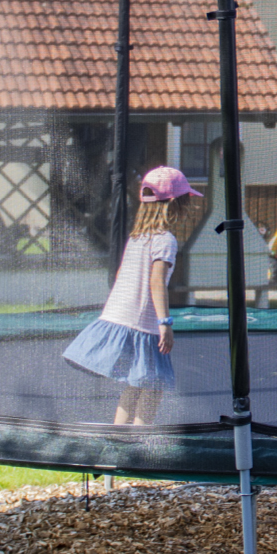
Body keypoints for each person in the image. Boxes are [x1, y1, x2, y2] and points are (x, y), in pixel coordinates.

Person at [62, 166, 201, 425]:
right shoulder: (166, 240)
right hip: (144, 325)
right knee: (153, 387)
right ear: (173, 203)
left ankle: (120, 439)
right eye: (185, 201)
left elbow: (122, 277)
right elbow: (156, 282)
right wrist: (165, 324)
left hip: (118, 317)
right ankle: (139, 443)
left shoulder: (138, 237)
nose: (188, 208)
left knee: (135, 385)